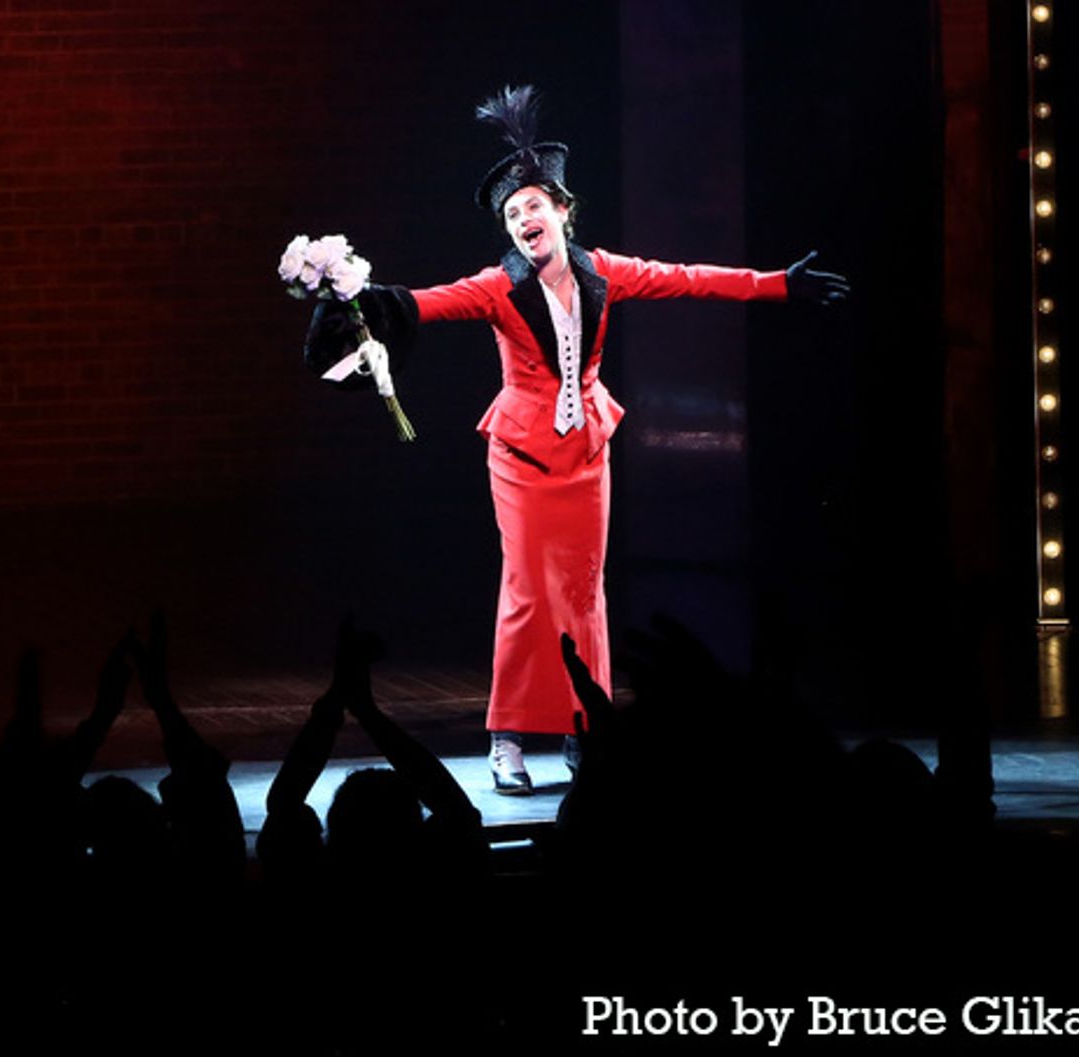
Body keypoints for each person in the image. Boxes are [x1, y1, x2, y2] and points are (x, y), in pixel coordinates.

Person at [306, 85, 848, 794]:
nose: (523, 217)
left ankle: (585, 728)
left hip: (588, 449)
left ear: (564, 210)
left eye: (533, 204)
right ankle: (507, 739)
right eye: (511, 213)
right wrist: (361, 301)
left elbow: (688, 280)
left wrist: (779, 284)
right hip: (523, 455)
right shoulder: (498, 286)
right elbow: (423, 302)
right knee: (529, 592)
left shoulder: (604, 273)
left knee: (585, 593)